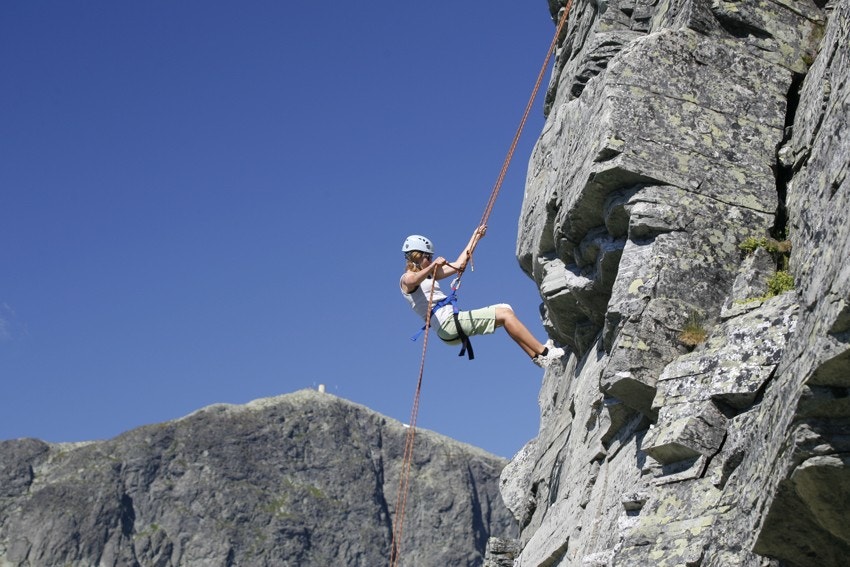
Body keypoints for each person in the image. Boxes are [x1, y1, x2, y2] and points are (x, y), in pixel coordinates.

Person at [400, 225, 566, 368]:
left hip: (449, 324)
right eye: (428, 257)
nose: (431, 260)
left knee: (506, 308)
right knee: (505, 315)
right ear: (416, 257)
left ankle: (537, 357)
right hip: (447, 323)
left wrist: (476, 237)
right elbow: (413, 280)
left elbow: (459, 264)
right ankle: (546, 353)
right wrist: (433, 266)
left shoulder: (430, 275)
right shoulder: (406, 279)